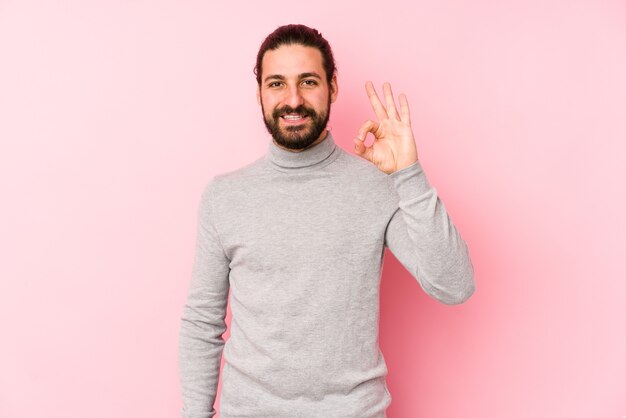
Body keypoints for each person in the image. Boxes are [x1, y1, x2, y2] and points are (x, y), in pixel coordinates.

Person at [178, 24, 475, 418]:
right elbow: (202, 322)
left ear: (333, 87)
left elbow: (454, 286)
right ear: (260, 94)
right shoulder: (224, 196)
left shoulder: (377, 186)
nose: (293, 99)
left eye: (308, 81)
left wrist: (409, 173)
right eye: (277, 84)